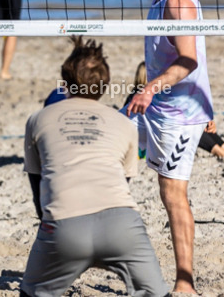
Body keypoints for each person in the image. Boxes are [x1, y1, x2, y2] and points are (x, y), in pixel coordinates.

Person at [22, 37, 168, 297]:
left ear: (64, 84)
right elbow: (122, 186)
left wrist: (50, 231)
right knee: (157, 293)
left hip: (63, 225)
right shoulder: (124, 123)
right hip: (122, 225)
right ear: (105, 85)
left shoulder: (37, 119)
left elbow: (38, 189)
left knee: (31, 293)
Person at [126, 0, 214, 295]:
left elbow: (189, 60)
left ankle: (185, 283)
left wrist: (149, 87)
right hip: (161, 107)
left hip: (178, 115)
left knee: (173, 193)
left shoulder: (178, 1)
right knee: (114, 158)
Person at [126, 62, 224, 162]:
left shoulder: (151, 96)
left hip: (156, 139)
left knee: (195, 122)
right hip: (144, 148)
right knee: (188, 126)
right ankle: (223, 153)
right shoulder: (139, 98)